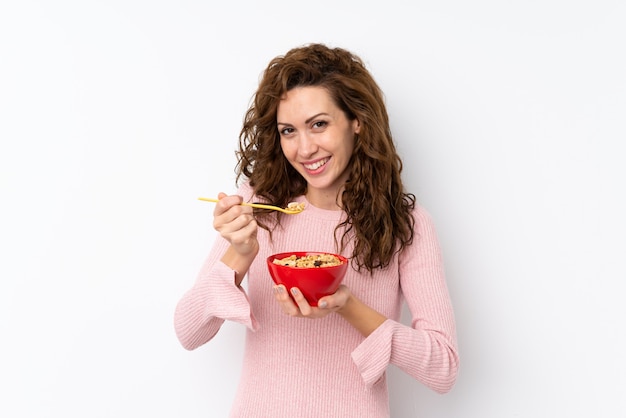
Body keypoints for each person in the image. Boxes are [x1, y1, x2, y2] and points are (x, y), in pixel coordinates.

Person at [174, 43, 459, 417]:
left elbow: (443, 368)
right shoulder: (259, 206)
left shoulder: (406, 222)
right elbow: (188, 332)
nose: (304, 148)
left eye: (319, 124)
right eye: (288, 130)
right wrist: (240, 253)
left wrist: (348, 305)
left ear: (357, 121)